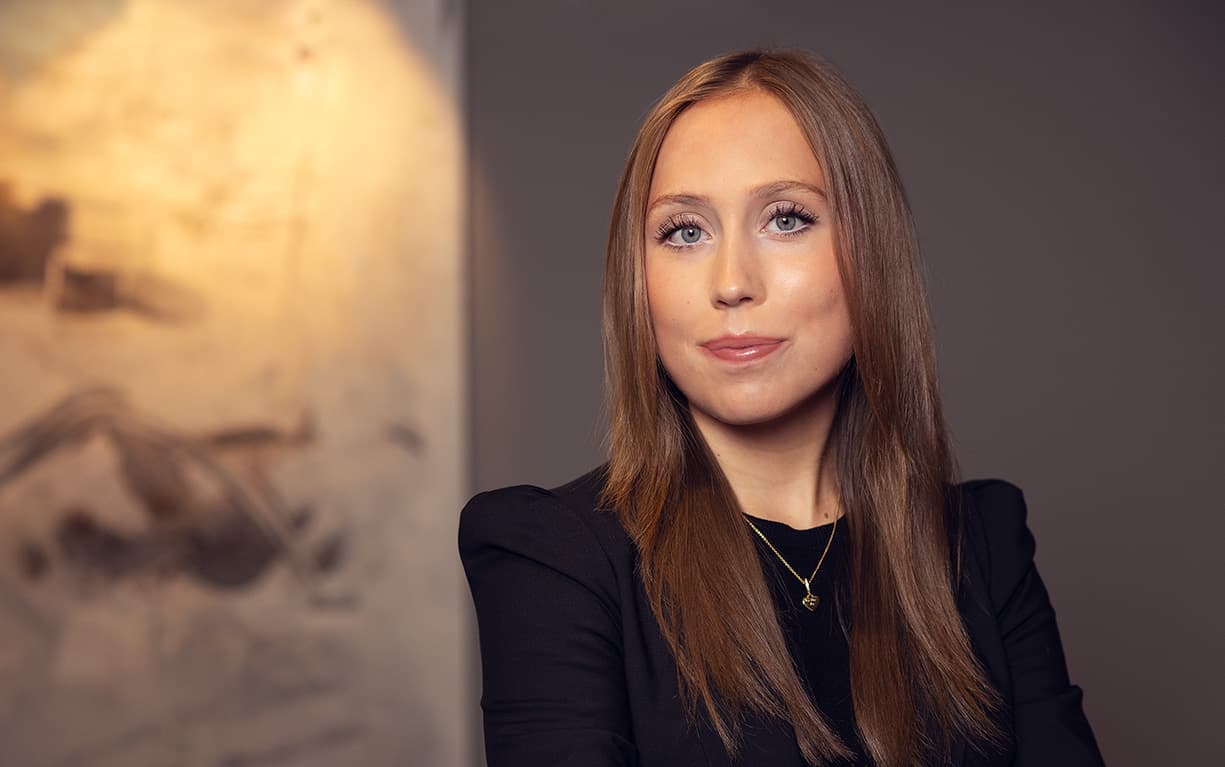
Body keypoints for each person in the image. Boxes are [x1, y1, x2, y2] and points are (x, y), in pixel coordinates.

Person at [458, 48, 1105, 767]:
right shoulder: (553, 557)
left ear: (870, 253)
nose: (732, 282)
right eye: (684, 231)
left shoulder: (981, 545)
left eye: (787, 219)